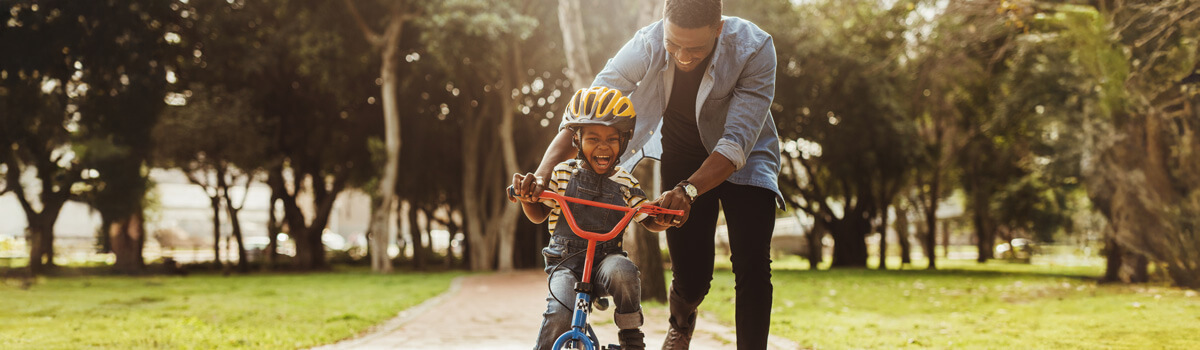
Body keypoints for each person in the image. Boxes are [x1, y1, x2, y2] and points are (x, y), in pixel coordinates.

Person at [518, 0, 783, 348]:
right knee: (692, 277)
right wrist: (543, 172)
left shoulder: (755, 48)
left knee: (752, 265)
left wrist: (688, 191)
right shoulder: (647, 43)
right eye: (674, 45)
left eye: (696, 48)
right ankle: (682, 322)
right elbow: (591, 111)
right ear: (663, 27)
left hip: (746, 158)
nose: (683, 57)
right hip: (683, 155)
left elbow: (735, 144)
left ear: (719, 29)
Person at [512, 86, 671, 350]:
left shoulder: (625, 182)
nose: (603, 146)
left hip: (605, 263)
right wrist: (529, 199)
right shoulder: (563, 173)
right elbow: (539, 214)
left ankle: (631, 337)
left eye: (612, 139)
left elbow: (646, 216)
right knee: (561, 311)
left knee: (624, 271)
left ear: (624, 140)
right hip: (565, 263)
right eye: (593, 138)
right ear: (576, 139)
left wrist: (662, 217)